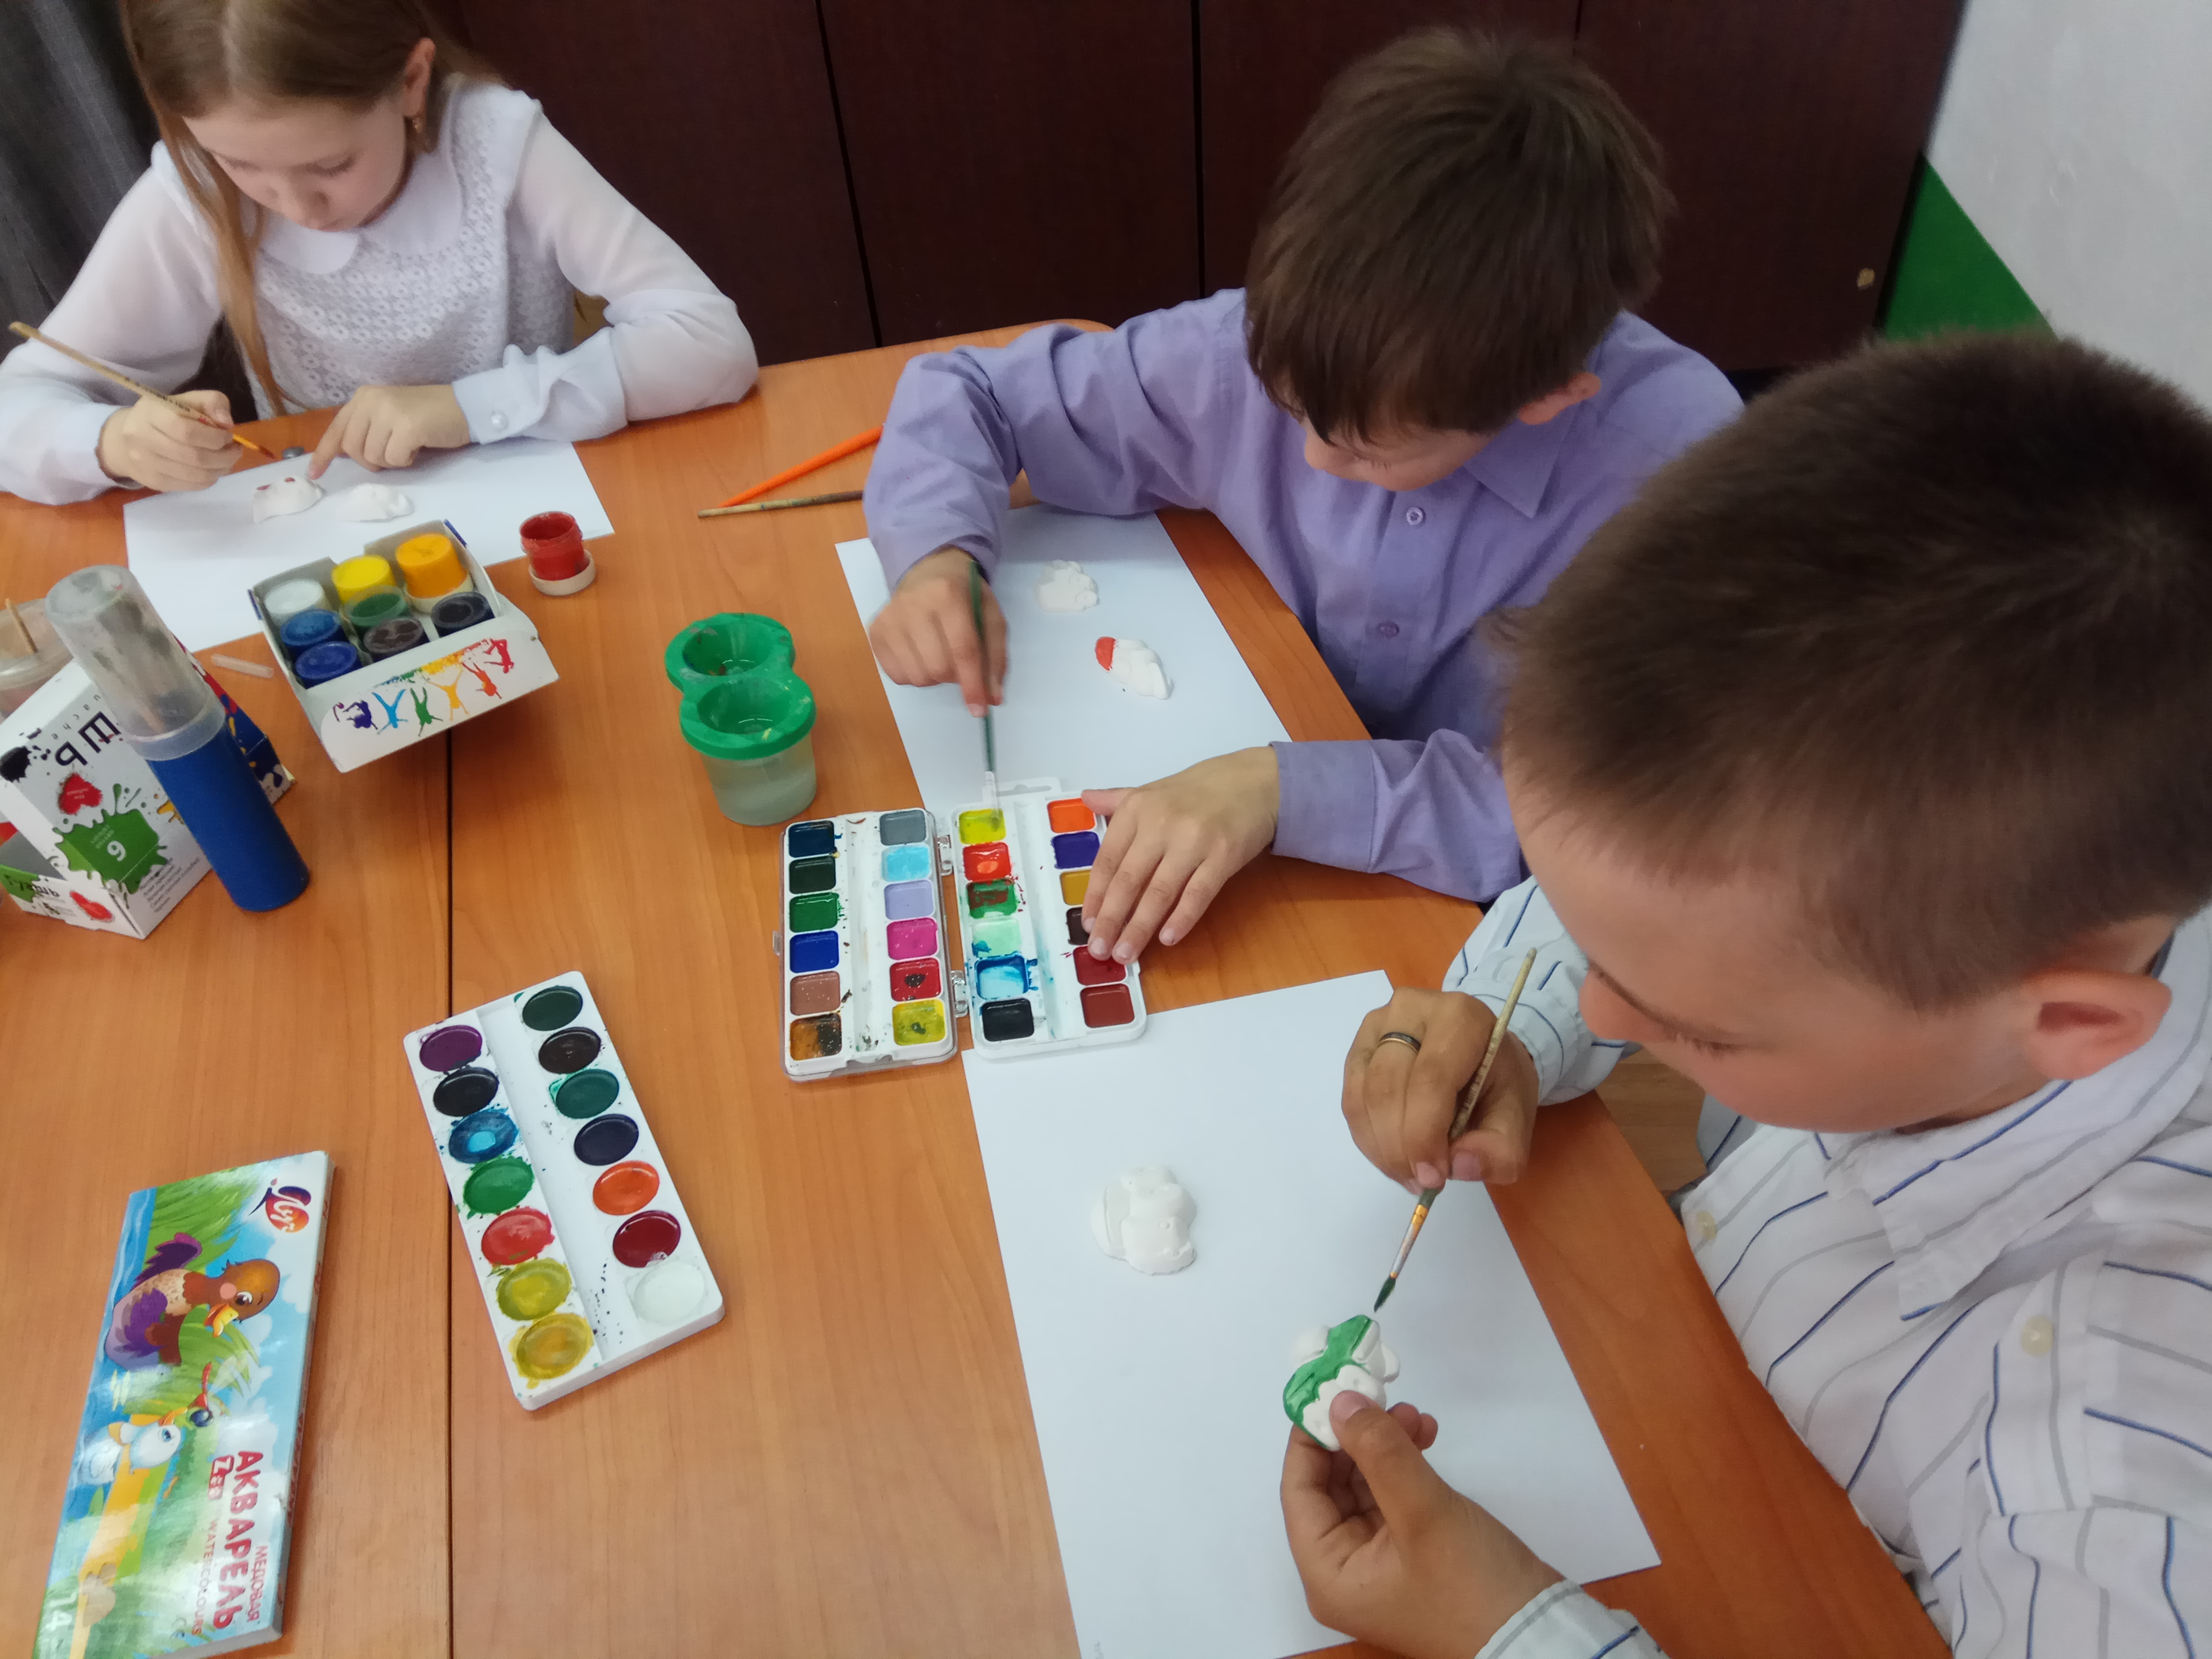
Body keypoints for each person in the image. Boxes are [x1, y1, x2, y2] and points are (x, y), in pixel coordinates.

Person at [1300, 333, 2212, 1656]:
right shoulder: (1958, 942)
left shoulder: (2117, 1481)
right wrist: (1516, 1023)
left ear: (2067, 1023)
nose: (1605, 1015)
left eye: (1697, 1027)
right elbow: (1675, 890)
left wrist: (1512, 1634)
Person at [861, 28, 1737, 965]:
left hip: (1496, 932)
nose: (1312, 458)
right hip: (1266, 786)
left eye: (1366, 450)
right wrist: (938, 557)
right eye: (1290, 408)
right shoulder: (1257, 346)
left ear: (1547, 398)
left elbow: (1618, 815)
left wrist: (1280, 792)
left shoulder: (1683, 482)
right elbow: (975, 393)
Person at [0, 0, 753, 505]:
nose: (294, 207)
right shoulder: (195, 191)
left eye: (330, 166)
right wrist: (108, 443)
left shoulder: (496, 144)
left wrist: (467, 408)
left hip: (538, 499)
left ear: (411, 83)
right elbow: (20, 404)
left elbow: (709, 342)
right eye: (241, 164)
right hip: (337, 524)